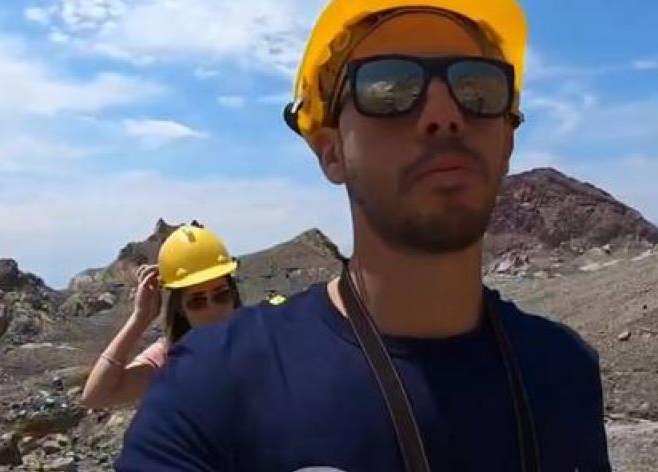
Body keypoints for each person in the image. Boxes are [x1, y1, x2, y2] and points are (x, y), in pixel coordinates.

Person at [116, 1, 612, 470]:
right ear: (331, 152)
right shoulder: (210, 387)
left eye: (478, 89)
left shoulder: (565, 370)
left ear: (506, 141)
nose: (445, 113)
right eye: (389, 89)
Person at [81, 224, 242, 409]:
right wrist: (139, 319)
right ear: (180, 308)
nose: (213, 309)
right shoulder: (167, 359)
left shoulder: (259, 339)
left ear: (233, 294)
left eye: (221, 295)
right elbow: (95, 397)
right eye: (197, 302)